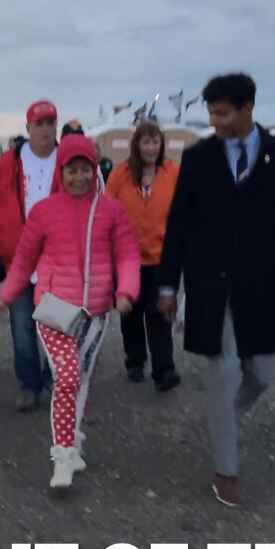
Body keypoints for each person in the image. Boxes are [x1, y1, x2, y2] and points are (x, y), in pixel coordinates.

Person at [156, 73, 275, 508]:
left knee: (261, 374)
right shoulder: (199, 158)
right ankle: (226, 469)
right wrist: (168, 285)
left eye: (222, 112)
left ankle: (222, 417)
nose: (215, 121)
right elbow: (179, 226)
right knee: (224, 372)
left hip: (260, 282)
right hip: (209, 282)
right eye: (210, 112)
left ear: (248, 108)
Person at [0, 134, 141, 489]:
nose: (79, 177)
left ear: (95, 170)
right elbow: (24, 258)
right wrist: (9, 293)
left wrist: (126, 290)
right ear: (62, 172)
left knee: (82, 380)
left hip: (96, 312)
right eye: (72, 170)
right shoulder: (44, 212)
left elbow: (127, 254)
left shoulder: (111, 210)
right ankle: (61, 456)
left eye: (85, 170)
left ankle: (74, 440)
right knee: (67, 377)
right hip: (56, 309)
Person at [0, 100, 62, 411]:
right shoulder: (10, 163)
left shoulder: (69, 162)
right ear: (28, 128)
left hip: (58, 267)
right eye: (39, 123)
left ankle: (53, 380)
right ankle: (29, 385)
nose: (46, 129)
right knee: (23, 332)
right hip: (19, 264)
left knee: (59, 331)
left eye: (51, 122)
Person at [105, 120, 182, 391]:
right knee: (131, 314)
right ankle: (135, 361)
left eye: (155, 142)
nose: (151, 147)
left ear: (161, 145)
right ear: (137, 145)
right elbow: (107, 210)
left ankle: (164, 370)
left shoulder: (172, 172)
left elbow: (185, 209)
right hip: (128, 258)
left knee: (160, 314)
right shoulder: (121, 174)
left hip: (163, 257)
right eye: (146, 142)